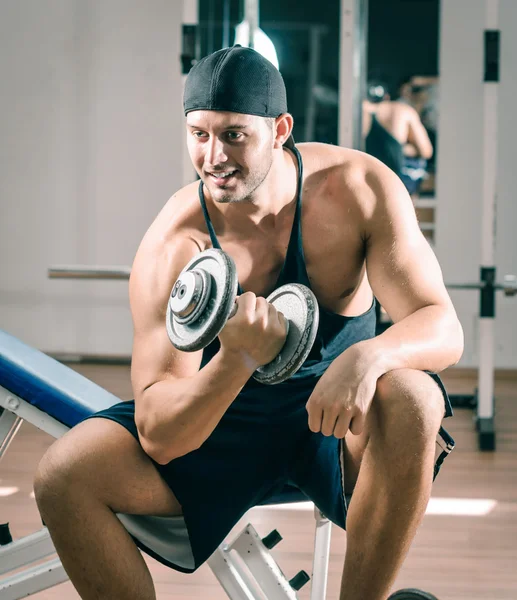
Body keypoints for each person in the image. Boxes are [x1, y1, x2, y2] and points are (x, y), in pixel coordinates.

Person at [33, 45, 464, 600]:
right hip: (219, 428)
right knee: (64, 474)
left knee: (414, 397)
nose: (213, 156)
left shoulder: (358, 189)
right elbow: (159, 434)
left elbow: (442, 327)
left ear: (280, 128)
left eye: (234, 134)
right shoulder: (175, 243)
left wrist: (367, 356)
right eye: (199, 134)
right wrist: (236, 359)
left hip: (332, 425)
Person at [363, 80, 434, 196]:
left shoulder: (358, 111)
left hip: (366, 174)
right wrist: (398, 149)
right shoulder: (402, 110)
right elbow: (426, 151)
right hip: (396, 178)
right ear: (387, 96)